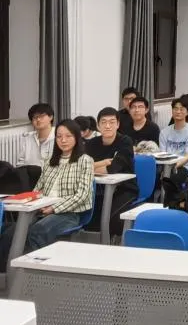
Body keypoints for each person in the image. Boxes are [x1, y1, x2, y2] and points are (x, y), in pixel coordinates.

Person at [0, 120, 95, 271]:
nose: (63, 140)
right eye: (59, 136)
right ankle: (6, 272)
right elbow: (38, 189)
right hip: (42, 210)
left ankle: (31, 272)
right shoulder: (50, 161)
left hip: (69, 213)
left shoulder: (85, 161)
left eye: (68, 136)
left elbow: (82, 195)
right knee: (11, 230)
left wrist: (54, 208)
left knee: (38, 230)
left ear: (77, 138)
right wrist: (33, 203)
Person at [85, 107, 136, 235]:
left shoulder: (125, 141)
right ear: (98, 125)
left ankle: (113, 242)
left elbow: (113, 168)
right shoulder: (91, 144)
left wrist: (92, 166)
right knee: (88, 217)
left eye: (112, 122)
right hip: (97, 189)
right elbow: (81, 167)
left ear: (118, 124)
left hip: (124, 189)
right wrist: (103, 163)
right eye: (104, 122)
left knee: (110, 218)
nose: (108, 126)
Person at [159, 96, 188, 175]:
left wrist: (172, 168)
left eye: (181, 109)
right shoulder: (164, 132)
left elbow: (187, 157)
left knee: (173, 177)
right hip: (166, 166)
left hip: (185, 167)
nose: (178, 112)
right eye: (175, 109)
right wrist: (166, 169)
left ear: (187, 112)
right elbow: (162, 154)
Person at [17, 103, 56, 167]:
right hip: (31, 173)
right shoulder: (27, 138)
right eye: (35, 117)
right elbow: (21, 163)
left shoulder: (59, 137)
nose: (38, 119)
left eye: (41, 116)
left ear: (51, 117)